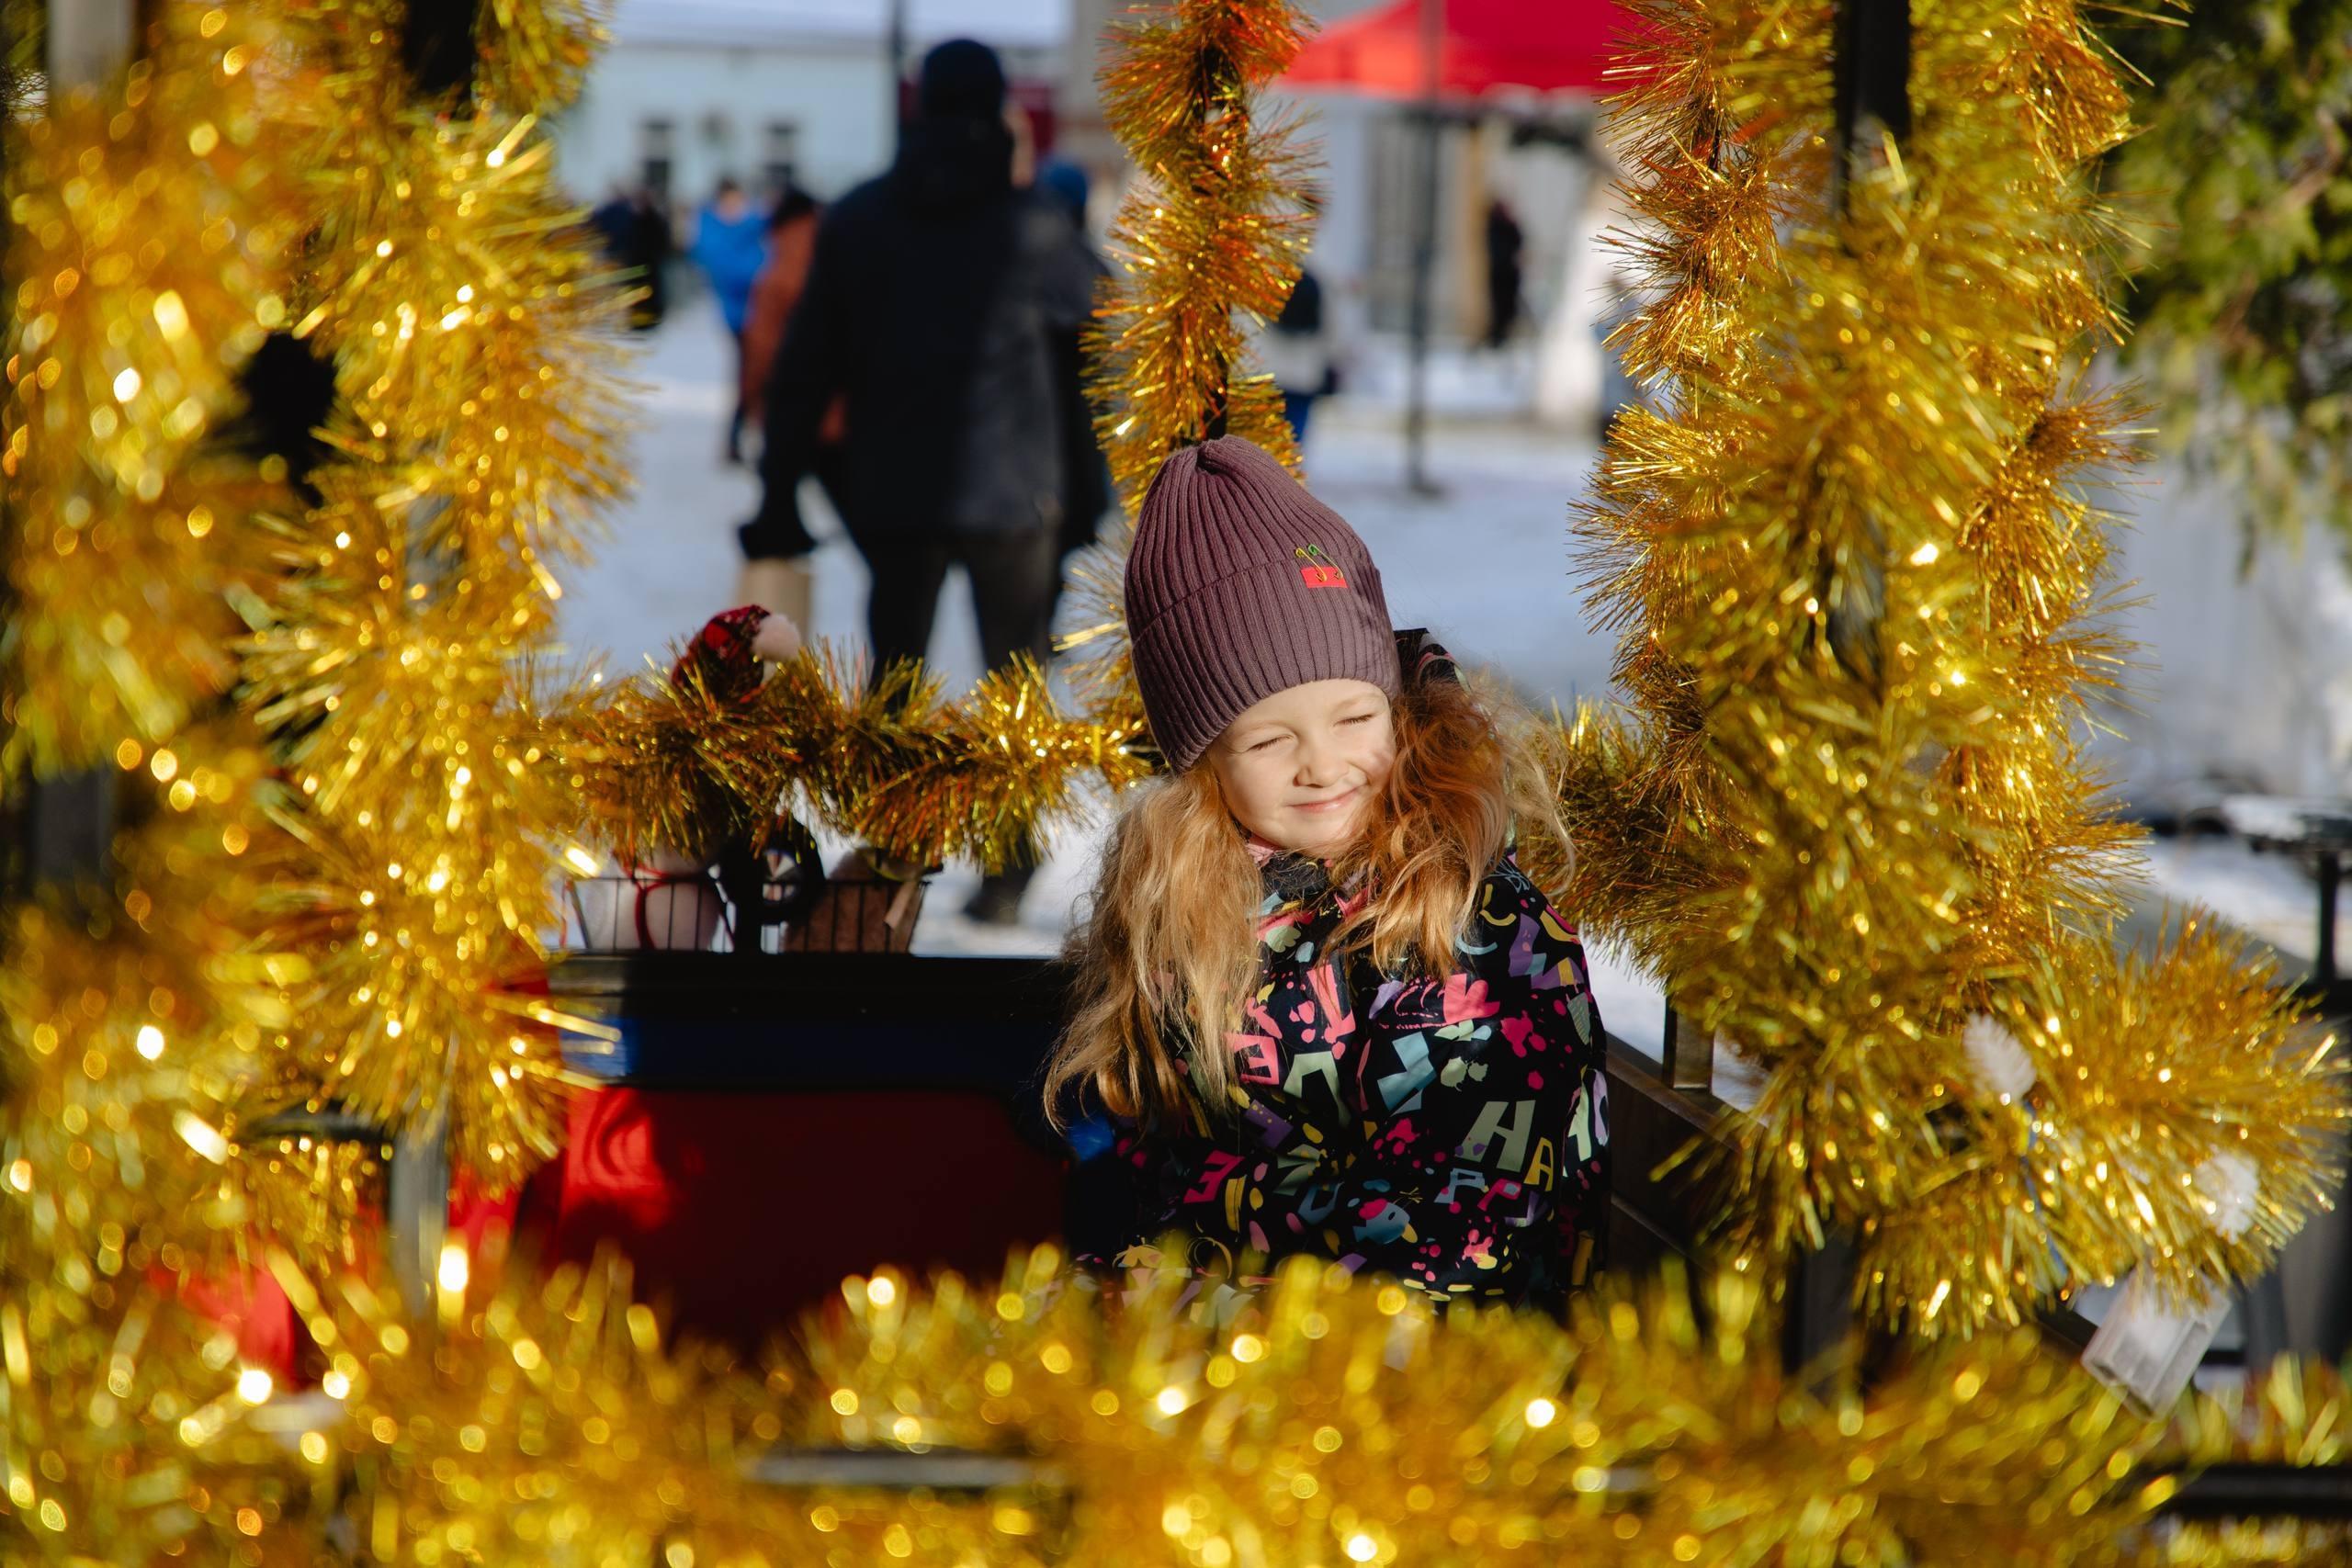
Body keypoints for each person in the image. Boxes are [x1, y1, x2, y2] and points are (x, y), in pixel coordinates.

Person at [1046, 436, 1611, 1309]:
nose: (1322, 766)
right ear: (1205, 766)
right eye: (1269, 740)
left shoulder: (1468, 923)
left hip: (1428, 1348)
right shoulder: (1201, 895)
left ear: (1395, 706)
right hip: (1234, 1318)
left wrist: (1217, 1305)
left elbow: (1465, 1230)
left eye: (1353, 716)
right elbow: (1163, 1154)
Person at [746, 38, 1097, 927]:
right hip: (1016, 493)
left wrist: (778, 489)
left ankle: (888, 865)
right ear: (996, 111)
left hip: (894, 491)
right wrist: (1100, 490)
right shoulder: (1033, 226)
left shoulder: (862, 218)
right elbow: (1106, 341)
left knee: (894, 684)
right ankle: (1009, 870)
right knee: (1013, 683)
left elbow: (804, 366)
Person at [735, 185, 842, 633]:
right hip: (844, 407)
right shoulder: (841, 243)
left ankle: (772, 632)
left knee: (778, 507)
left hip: (793, 407)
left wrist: (748, 400)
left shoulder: (784, 259)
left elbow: (761, 340)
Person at [690, 177, 769, 461]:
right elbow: (730, 270)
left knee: (755, 375)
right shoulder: (714, 231)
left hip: (760, 314)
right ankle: (739, 438)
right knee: (750, 376)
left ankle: (742, 438)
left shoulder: (754, 225)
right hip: (740, 317)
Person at [1261, 266, 1337, 446]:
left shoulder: (1270, 279)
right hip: (1303, 377)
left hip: (1268, 373)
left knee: (1262, 444)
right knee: (1293, 442)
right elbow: (1332, 331)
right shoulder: (1319, 282)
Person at [1484, 197, 1525, 351]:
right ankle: (1497, 340)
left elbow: (1519, 241)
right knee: (1500, 309)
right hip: (1501, 274)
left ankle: (1502, 338)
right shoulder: (1496, 226)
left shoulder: (1510, 225)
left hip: (1511, 276)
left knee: (1508, 309)